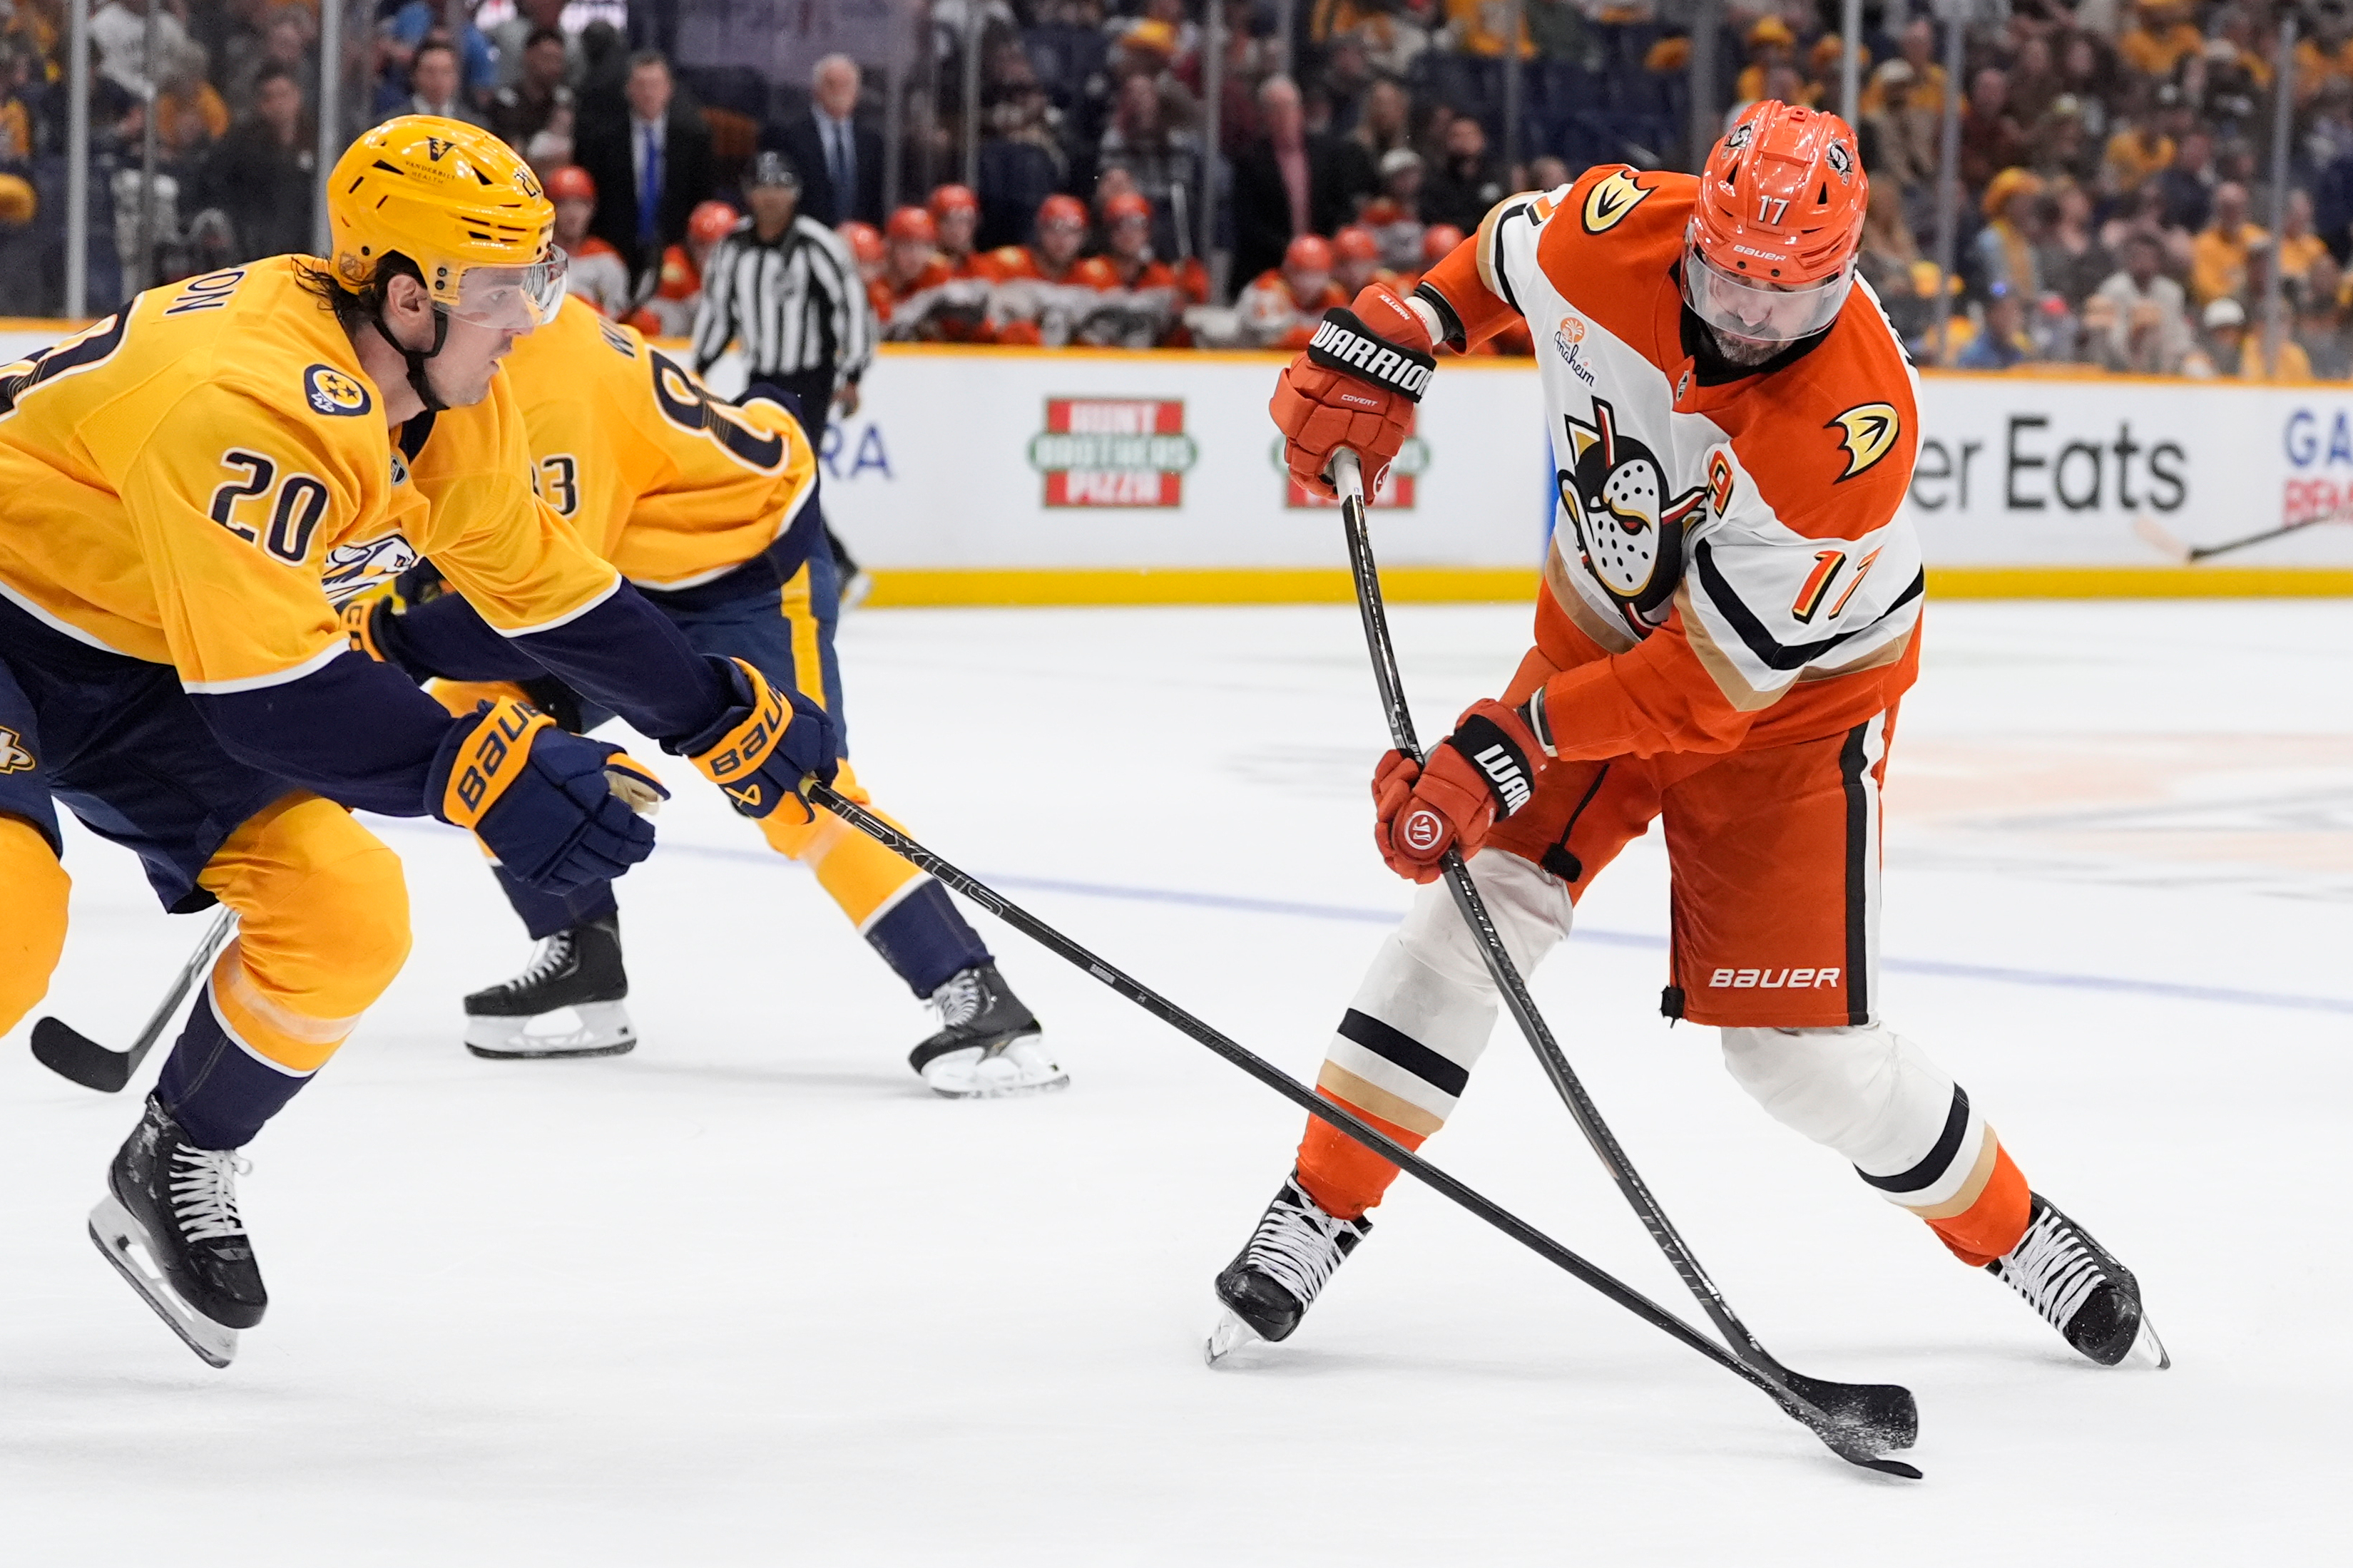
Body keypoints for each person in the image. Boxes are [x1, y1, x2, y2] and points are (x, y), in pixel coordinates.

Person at [1209, 102, 2166, 1378]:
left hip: (1794, 704)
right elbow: (1505, 252)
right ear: (1695, 229)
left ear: (1841, 268)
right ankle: (1319, 1203)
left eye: (1785, 295)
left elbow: (1705, 688)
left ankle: (2014, 1231)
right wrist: (1419, 322)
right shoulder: (1620, 228)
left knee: (1796, 1062)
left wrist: (1511, 736)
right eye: (1724, 275)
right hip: (1604, 632)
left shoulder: (1848, 429)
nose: (1744, 315)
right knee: (1473, 900)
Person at [0, 116, 834, 1366]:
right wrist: (477, 772)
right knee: (14, 920)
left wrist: (709, 710)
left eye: (539, 279)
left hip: (149, 650)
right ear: (404, 295)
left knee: (345, 913)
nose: (533, 318)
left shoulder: (448, 391)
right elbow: (270, 690)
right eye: (506, 290)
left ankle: (178, 1153)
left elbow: (542, 586)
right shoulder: (247, 393)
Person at [347, 294, 1064, 1095]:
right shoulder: (492, 353)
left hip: (745, 565)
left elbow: (538, 607)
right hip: (626, 564)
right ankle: (580, 956)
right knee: (476, 714)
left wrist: (390, 638)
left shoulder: (549, 398)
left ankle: (975, 997)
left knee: (797, 790)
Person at [690, 152, 874, 593]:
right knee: (766, 473)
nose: (771, 196)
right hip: (761, 376)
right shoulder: (732, 247)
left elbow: (851, 308)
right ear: (749, 193)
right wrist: (698, 369)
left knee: (792, 474)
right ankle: (818, 566)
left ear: (795, 193)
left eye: (780, 186)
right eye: (762, 186)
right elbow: (718, 311)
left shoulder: (817, 244)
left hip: (811, 377)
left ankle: (835, 566)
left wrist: (852, 375)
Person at [577, 50, 715, 280]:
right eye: (641, 85)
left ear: (669, 90)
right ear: (628, 90)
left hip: (676, 252)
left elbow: (703, 197)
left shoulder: (694, 137)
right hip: (615, 250)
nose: (649, 94)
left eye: (655, 85)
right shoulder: (602, 139)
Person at [1230, 75, 1374, 285]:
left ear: (1300, 111)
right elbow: (1247, 221)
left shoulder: (1328, 153)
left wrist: (1324, 249)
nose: (1284, 116)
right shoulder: (1249, 160)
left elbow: (1343, 208)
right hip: (1268, 269)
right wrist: (1292, 251)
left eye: (1289, 107)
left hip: (1323, 268)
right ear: (1264, 115)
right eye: (1275, 109)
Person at [199, 59, 315, 262]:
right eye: (268, 98)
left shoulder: (318, 139)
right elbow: (215, 183)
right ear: (258, 104)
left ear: (298, 96)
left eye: (283, 95)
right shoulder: (241, 144)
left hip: (308, 248)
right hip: (254, 252)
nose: (278, 105)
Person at [767, 53, 884, 228]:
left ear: (857, 92)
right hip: (805, 239)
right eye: (831, 84)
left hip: (858, 243)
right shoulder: (789, 137)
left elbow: (874, 201)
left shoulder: (871, 142)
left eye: (846, 85)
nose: (839, 91)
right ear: (816, 89)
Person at [980, 193, 1100, 347]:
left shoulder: (1093, 275)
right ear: (1040, 229)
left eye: (1072, 231)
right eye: (1054, 228)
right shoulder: (1005, 264)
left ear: (1084, 236)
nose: (1062, 239)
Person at [640, 199, 740, 338]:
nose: (708, 254)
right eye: (701, 245)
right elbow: (654, 319)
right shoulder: (671, 265)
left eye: (718, 248)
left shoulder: (747, 269)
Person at [1231, 232, 1346, 349]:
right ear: (1287, 270)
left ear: (1329, 274)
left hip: (1304, 363)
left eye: (1316, 275)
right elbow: (1274, 339)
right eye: (1300, 273)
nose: (1307, 282)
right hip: (1254, 362)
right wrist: (1327, 338)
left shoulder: (1335, 294)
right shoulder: (1267, 289)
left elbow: (1344, 341)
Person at [547, 164, 633, 318]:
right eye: (563, 204)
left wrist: (585, 311)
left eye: (580, 204)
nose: (572, 214)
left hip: (592, 336)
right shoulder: (535, 256)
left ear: (592, 208)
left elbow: (618, 318)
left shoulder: (606, 258)